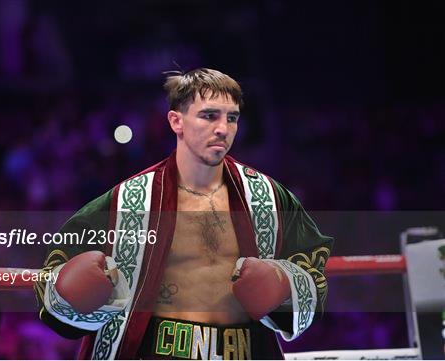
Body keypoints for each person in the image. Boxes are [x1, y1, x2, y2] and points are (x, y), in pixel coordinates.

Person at [34, 68, 333, 359]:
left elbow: (313, 273)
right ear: (176, 121)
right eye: (209, 115)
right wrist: (72, 297)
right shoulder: (129, 201)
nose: (223, 128)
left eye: (232, 118)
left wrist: (284, 285)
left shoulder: (267, 198)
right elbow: (56, 278)